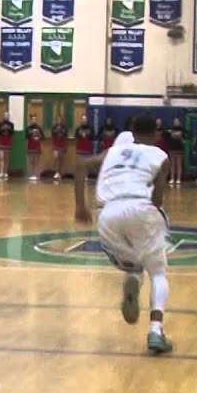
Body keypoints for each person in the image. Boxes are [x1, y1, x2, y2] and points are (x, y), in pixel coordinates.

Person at [73, 115, 173, 355]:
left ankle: (134, 278)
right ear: (156, 134)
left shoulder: (113, 152)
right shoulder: (161, 156)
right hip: (140, 207)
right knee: (158, 271)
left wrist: (80, 206)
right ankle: (156, 331)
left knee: (134, 263)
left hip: (108, 213)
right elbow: (157, 198)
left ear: (132, 132)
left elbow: (80, 165)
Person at [165, 117, 187, 185]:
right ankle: (172, 178)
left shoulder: (182, 130)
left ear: (179, 122)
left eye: (177, 121)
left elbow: (186, 138)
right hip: (172, 148)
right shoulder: (170, 129)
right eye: (175, 121)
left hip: (179, 148)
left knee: (179, 164)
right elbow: (166, 137)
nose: (176, 122)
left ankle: (178, 179)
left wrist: (183, 139)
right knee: (172, 164)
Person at [25, 115, 44, 181]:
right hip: (30, 147)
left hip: (37, 147)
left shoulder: (39, 128)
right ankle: (32, 174)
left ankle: (36, 175)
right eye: (33, 119)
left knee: (37, 161)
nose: (34, 120)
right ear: (31, 120)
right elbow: (26, 137)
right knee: (31, 161)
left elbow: (43, 137)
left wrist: (38, 137)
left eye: (35, 119)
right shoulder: (28, 128)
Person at [0, 113, 15, 181]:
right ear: (3, 116)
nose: (6, 116)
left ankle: (6, 173)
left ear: (9, 117)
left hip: (8, 143)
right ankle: (1, 172)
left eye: (7, 116)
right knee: (2, 158)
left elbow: (12, 135)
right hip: (2, 143)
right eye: (5, 115)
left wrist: (11, 143)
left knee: (6, 158)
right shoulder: (0, 124)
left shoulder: (11, 124)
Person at [50, 116, 69, 182]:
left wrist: (66, 146)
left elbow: (66, 137)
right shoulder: (54, 127)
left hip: (62, 145)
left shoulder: (64, 128)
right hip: (55, 145)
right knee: (56, 157)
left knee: (61, 159)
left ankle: (59, 173)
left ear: (61, 120)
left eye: (60, 119)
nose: (59, 121)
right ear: (56, 120)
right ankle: (56, 172)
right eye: (57, 119)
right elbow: (52, 137)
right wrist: (52, 146)